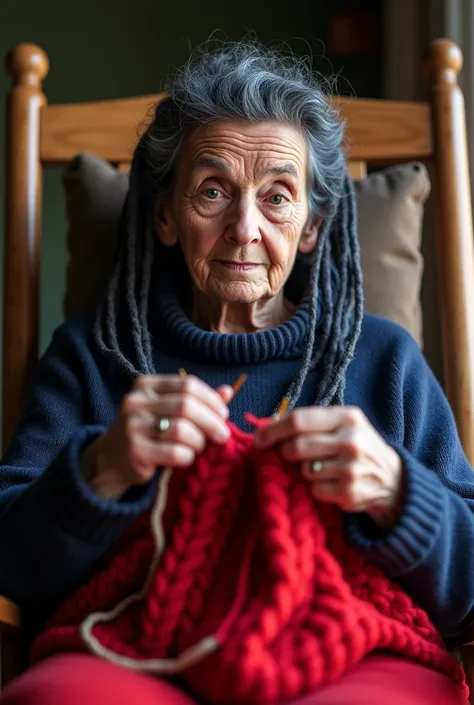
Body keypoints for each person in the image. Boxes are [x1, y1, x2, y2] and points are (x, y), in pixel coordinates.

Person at [0, 39, 474, 705]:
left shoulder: (384, 360)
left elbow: (469, 592)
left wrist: (398, 493)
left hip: (347, 648)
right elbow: (11, 559)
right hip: (135, 650)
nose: (244, 227)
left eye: (279, 196)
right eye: (213, 190)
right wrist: (100, 469)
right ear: (165, 215)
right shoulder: (92, 354)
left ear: (312, 225)